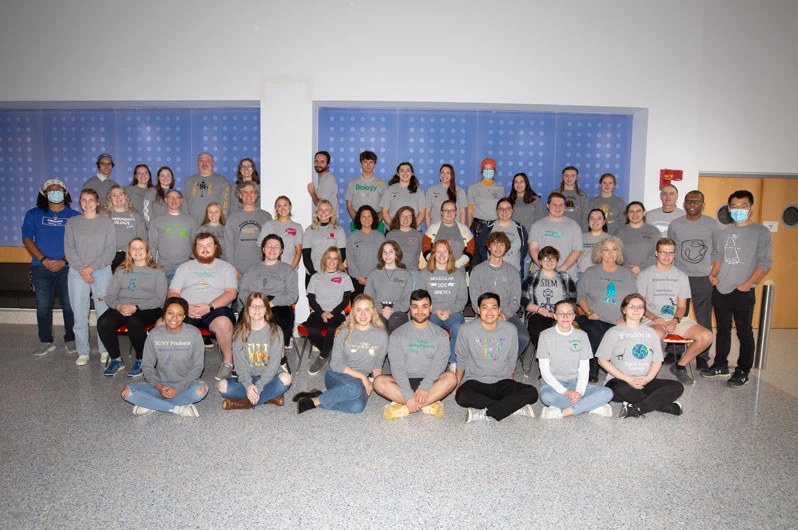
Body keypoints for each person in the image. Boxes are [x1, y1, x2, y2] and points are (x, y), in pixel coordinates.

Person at [703, 190, 773, 387]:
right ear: (729, 208)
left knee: (744, 332)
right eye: (734, 206)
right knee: (723, 330)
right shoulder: (725, 233)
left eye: (743, 206)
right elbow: (719, 257)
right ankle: (720, 364)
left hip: (743, 291)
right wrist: (713, 275)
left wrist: (748, 283)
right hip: (721, 289)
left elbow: (765, 262)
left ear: (751, 208)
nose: (738, 210)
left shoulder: (761, 232)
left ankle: (743, 370)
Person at [637, 237, 714, 383]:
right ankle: (648, 372)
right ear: (656, 253)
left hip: (674, 319)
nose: (667, 257)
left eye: (671, 253)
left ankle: (680, 366)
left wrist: (675, 320)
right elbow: (639, 304)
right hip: (650, 318)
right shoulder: (645, 274)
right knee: (656, 334)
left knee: (707, 336)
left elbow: (682, 306)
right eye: (663, 253)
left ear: (675, 254)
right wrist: (655, 318)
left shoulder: (681, 276)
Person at [295, 294, 388, 414]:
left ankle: (317, 396)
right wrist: (363, 377)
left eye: (367, 310)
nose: (362, 314)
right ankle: (314, 402)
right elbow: (336, 364)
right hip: (337, 374)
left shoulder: (381, 336)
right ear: (353, 313)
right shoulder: (343, 332)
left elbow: (377, 365)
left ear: (373, 312)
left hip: (358, 382)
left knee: (357, 407)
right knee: (353, 389)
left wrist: (377, 386)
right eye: (358, 310)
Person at [597, 293, 684, 418]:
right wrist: (628, 379)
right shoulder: (613, 332)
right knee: (620, 388)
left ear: (644, 311)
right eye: (632, 306)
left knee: (677, 387)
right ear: (624, 310)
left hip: (644, 381)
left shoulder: (652, 332)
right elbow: (602, 360)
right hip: (620, 381)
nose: (636, 310)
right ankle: (661, 405)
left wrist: (648, 378)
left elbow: (657, 360)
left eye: (640, 307)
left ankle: (638, 408)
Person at [373, 289, 457, 419]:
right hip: (403, 381)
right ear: (410, 309)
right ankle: (427, 403)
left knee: (451, 378)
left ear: (430, 308)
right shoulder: (397, 335)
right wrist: (407, 394)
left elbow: (439, 365)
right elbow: (397, 367)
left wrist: (425, 387)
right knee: (378, 382)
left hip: (431, 380)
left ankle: (406, 406)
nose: (419, 311)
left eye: (424, 307)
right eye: (415, 307)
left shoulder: (441, 334)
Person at [455, 292, 538, 423]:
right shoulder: (466, 329)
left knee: (532, 392)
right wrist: (457, 382)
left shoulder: (510, 329)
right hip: (476, 380)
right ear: (478, 310)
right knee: (462, 396)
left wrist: (511, 382)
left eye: (493, 308)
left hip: (501, 380)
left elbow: (512, 359)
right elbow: (461, 357)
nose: (489, 312)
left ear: (499, 310)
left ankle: (487, 411)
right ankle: (512, 408)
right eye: (485, 307)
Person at [167, 232, 238, 382]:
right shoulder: (184, 268)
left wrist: (209, 307)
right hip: (187, 309)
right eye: (200, 246)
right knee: (165, 322)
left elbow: (231, 293)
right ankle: (175, 365)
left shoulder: (227, 268)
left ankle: (228, 362)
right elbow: (173, 293)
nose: (205, 249)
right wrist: (185, 308)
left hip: (215, 310)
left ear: (216, 247)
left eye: (209, 245)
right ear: (195, 249)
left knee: (224, 324)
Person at [120, 297, 207, 417]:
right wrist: (159, 387)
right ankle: (178, 409)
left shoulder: (194, 333)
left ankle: (150, 404)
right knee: (126, 392)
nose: (174, 318)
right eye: (170, 313)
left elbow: (198, 367)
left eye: (179, 314)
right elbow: (147, 366)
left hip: (186, 384)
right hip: (160, 385)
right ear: (164, 314)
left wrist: (179, 388)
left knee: (200, 390)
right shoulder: (154, 334)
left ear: (184, 316)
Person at [22, 178, 80, 356]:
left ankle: (71, 339)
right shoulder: (33, 214)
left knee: (69, 305)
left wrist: (64, 260)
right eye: (51, 190)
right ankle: (45, 340)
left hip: (67, 266)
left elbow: (78, 243)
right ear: (45, 194)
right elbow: (27, 239)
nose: (56, 192)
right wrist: (44, 260)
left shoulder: (75, 216)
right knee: (43, 306)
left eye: (59, 189)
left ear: (65, 193)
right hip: (41, 267)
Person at [96, 238, 168, 377]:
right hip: (122, 307)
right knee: (103, 322)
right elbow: (110, 296)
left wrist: (136, 307)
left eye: (141, 248)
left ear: (147, 251)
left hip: (149, 308)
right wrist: (119, 306)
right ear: (129, 251)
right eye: (133, 248)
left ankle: (142, 360)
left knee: (134, 322)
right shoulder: (121, 270)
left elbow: (160, 299)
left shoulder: (158, 271)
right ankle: (116, 359)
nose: (137, 251)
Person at [668, 190, 721, 370]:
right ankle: (674, 349)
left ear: (702, 204)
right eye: (689, 201)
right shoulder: (675, 224)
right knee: (678, 314)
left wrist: (709, 266)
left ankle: (702, 356)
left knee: (703, 316)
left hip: (702, 278)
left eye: (696, 201)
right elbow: (671, 250)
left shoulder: (712, 224)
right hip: (680, 277)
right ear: (684, 204)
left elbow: (719, 250)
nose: (692, 204)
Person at [64, 188, 116, 367]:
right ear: (80, 202)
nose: (87, 203)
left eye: (90, 200)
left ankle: (104, 349)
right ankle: (82, 352)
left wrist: (92, 268)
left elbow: (110, 250)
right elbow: (69, 249)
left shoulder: (107, 222)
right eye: (84, 200)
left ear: (98, 202)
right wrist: (83, 269)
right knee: (79, 313)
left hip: (101, 271)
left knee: (103, 314)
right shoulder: (72, 222)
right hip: (77, 273)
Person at [537, 300, 614, 419]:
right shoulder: (545, 335)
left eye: (569, 313)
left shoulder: (582, 336)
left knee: (608, 393)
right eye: (561, 313)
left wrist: (579, 392)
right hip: (552, 383)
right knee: (547, 397)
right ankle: (592, 405)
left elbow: (584, 369)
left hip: (575, 382)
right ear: (554, 316)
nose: (565, 317)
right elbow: (545, 372)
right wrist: (566, 392)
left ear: (574, 316)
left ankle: (563, 412)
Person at [576, 235, 638, 380]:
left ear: (619, 253)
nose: (610, 253)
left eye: (614, 250)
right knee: (593, 330)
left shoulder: (627, 274)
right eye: (606, 250)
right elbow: (581, 297)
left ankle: (619, 369)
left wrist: (625, 318)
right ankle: (594, 367)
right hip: (593, 318)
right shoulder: (590, 272)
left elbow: (633, 300)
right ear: (600, 252)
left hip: (618, 320)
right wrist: (589, 312)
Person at [217, 292, 293, 409]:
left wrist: (259, 386)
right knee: (222, 387)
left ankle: (244, 403)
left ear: (266, 309)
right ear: (247, 309)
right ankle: (269, 397)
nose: (257, 309)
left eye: (261, 306)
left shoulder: (276, 331)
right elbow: (240, 364)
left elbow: (273, 365)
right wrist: (248, 385)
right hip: (247, 378)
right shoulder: (239, 332)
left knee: (286, 379)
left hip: (269, 378)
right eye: (253, 306)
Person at [469, 231, 530, 358]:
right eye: (494, 244)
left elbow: (515, 299)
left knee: (523, 337)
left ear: (506, 247)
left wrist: (505, 314)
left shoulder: (512, 271)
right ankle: (488, 363)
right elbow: (475, 298)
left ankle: (505, 362)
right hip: (484, 314)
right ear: (489, 247)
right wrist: (488, 313)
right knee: (476, 337)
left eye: (501, 244)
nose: (498, 248)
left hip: (506, 314)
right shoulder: (478, 270)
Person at [239, 234, 298, 364]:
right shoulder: (252, 269)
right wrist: (254, 304)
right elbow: (242, 291)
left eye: (276, 247)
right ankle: (243, 361)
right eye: (269, 246)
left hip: (278, 304)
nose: (272, 249)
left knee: (275, 319)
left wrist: (271, 303)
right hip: (254, 302)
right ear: (263, 249)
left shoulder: (288, 270)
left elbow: (293, 294)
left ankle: (278, 360)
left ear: (281, 250)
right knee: (242, 321)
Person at [415, 239, 468, 368]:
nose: (442, 255)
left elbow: (462, 299)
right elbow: (420, 299)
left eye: (445, 252)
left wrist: (449, 311)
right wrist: (434, 310)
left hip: (453, 313)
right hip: (431, 313)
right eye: (438, 252)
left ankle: (453, 361)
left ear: (450, 255)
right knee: (427, 327)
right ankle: (430, 362)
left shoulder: (459, 274)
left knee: (458, 328)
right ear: (433, 254)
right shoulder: (424, 274)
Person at [305, 247, 354, 376]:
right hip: (318, 311)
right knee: (312, 330)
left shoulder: (344, 277)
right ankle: (328, 352)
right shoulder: (315, 277)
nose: (332, 261)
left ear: (338, 261)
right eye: (329, 257)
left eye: (335, 258)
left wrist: (333, 313)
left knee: (333, 329)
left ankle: (321, 358)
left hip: (337, 313)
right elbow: (311, 299)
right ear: (324, 260)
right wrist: (321, 312)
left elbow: (345, 300)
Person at [521, 246, 577, 349]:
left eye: (553, 259)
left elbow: (572, 300)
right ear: (540, 261)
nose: (550, 261)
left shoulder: (565, 277)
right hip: (537, 313)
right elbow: (524, 301)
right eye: (546, 258)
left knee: (566, 334)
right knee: (540, 333)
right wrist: (540, 310)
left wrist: (561, 313)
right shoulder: (531, 278)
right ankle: (547, 357)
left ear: (557, 261)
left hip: (562, 315)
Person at [528, 192, 583, 281]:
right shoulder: (537, 225)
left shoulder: (574, 226)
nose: (558, 207)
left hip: (566, 276)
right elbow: (533, 249)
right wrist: (546, 268)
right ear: (548, 206)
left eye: (561, 205)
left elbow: (577, 251)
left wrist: (562, 269)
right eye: (554, 204)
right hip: (541, 276)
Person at [224, 181, 273, 279]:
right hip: (239, 271)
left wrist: (270, 265)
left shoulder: (266, 217)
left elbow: (271, 243)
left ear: (256, 195)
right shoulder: (232, 218)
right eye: (245, 192)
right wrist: (232, 268)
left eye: (252, 192)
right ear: (240, 195)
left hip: (261, 269)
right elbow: (228, 245)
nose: (248, 195)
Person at [148, 189, 198, 283]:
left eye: (177, 197)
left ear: (181, 200)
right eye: (170, 197)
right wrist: (152, 266)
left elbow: (196, 243)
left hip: (185, 268)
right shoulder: (157, 221)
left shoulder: (191, 221)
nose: (174, 200)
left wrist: (192, 260)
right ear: (166, 200)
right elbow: (152, 244)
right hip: (164, 269)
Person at [365, 240, 413, 333]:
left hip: (398, 313)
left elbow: (407, 299)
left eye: (391, 251)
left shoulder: (405, 274)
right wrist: (380, 310)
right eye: (384, 252)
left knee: (395, 322)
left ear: (396, 254)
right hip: (378, 312)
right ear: (381, 255)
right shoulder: (373, 274)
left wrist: (393, 309)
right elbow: (368, 298)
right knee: (380, 322)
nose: (387, 255)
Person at [467, 158, 505, 268]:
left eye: (491, 168)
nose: (488, 171)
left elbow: (502, 209)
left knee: (493, 258)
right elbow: (470, 211)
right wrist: (470, 228)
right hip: (478, 226)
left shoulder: (500, 189)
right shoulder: (473, 188)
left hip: (494, 227)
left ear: (495, 171)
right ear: (481, 171)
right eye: (485, 168)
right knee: (475, 260)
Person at [479, 197, 529, 277]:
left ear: (512, 210)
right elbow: (481, 247)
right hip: (492, 272)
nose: (504, 211)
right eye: (501, 209)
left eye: (508, 208)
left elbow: (524, 249)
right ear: (497, 211)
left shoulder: (520, 229)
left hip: (514, 273)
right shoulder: (488, 227)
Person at [302, 199, 346, 287]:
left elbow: (341, 255)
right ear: (316, 213)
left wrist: (331, 273)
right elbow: (306, 255)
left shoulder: (339, 230)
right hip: (313, 274)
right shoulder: (309, 230)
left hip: (333, 275)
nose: (323, 212)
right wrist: (314, 274)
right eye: (320, 209)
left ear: (331, 213)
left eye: (326, 210)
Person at [103, 184, 146, 271]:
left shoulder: (135, 215)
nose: (118, 197)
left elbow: (142, 237)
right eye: (114, 195)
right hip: (109, 256)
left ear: (126, 196)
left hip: (130, 256)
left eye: (121, 194)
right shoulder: (103, 216)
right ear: (110, 198)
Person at [422, 200, 474, 269]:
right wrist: (437, 264)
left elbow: (471, 250)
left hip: (460, 270)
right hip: (437, 270)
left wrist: (454, 265)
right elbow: (425, 248)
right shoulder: (432, 228)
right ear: (441, 212)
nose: (449, 213)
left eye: (452, 210)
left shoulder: (464, 229)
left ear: (455, 213)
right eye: (446, 210)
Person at [346, 205, 385, 295]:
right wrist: (359, 277)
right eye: (363, 216)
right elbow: (350, 260)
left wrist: (373, 278)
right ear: (359, 219)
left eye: (369, 216)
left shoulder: (380, 237)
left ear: (373, 218)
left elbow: (383, 260)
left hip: (377, 280)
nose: (366, 219)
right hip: (357, 281)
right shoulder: (352, 237)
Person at [182, 152, 231, 223]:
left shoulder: (222, 181)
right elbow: (184, 205)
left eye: (208, 161)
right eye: (201, 161)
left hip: (213, 226)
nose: (204, 163)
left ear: (213, 163)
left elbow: (225, 206)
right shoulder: (189, 181)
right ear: (197, 163)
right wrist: (186, 222)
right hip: (192, 226)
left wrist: (220, 224)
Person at [614, 201, 659, 277]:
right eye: (631, 211)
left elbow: (658, 253)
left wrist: (640, 268)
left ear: (644, 213)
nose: (635, 214)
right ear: (627, 214)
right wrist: (629, 268)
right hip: (625, 274)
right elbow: (615, 253)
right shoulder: (620, 232)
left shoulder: (654, 231)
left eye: (638, 211)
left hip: (649, 274)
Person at [344, 150, 385, 232]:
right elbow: (349, 205)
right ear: (360, 163)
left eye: (371, 162)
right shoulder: (352, 182)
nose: (368, 165)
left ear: (375, 164)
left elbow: (385, 207)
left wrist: (376, 223)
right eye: (365, 162)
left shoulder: (382, 183)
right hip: (357, 218)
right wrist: (357, 221)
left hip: (376, 220)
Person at [258, 195, 303, 269]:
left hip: (289, 267)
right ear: (276, 208)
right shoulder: (268, 225)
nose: (283, 208)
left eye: (285, 205)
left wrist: (291, 270)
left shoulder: (297, 227)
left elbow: (298, 252)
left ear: (290, 206)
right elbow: (262, 248)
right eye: (279, 206)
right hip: (271, 268)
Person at [380, 162, 426, 226]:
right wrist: (393, 227)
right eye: (402, 171)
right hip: (393, 231)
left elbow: (422, 213)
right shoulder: (389, 190)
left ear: (412, 173)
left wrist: (412, 228)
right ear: (398, 174)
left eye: (408, 170)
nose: (405, 173)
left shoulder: (419, 192)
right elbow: (384, 212)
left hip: (413, 231)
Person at [385, 206, 423, 280]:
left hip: (413, 273)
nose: (406, 219)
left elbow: (419, 254)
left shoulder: (418, 235)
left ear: (412, 219)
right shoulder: (390, 235)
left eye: (409, 217)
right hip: (394, 273)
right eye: (403, 216)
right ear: (398, 218)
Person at [308, 151, 339, 217]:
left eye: (322, 162)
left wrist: (312, 193)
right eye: (316, 161)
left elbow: (321, 205)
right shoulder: (324, 178)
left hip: (327, 223)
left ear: (328, 164)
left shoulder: (327, 180)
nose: (318, 164)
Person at [579, 208, 609, 276]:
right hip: (581, 275)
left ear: (604, 222)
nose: (595, 221)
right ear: (588, 221)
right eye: (592, 218)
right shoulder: (579, 237)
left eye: (599, 218)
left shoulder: (610, 239)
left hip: (602, 275)